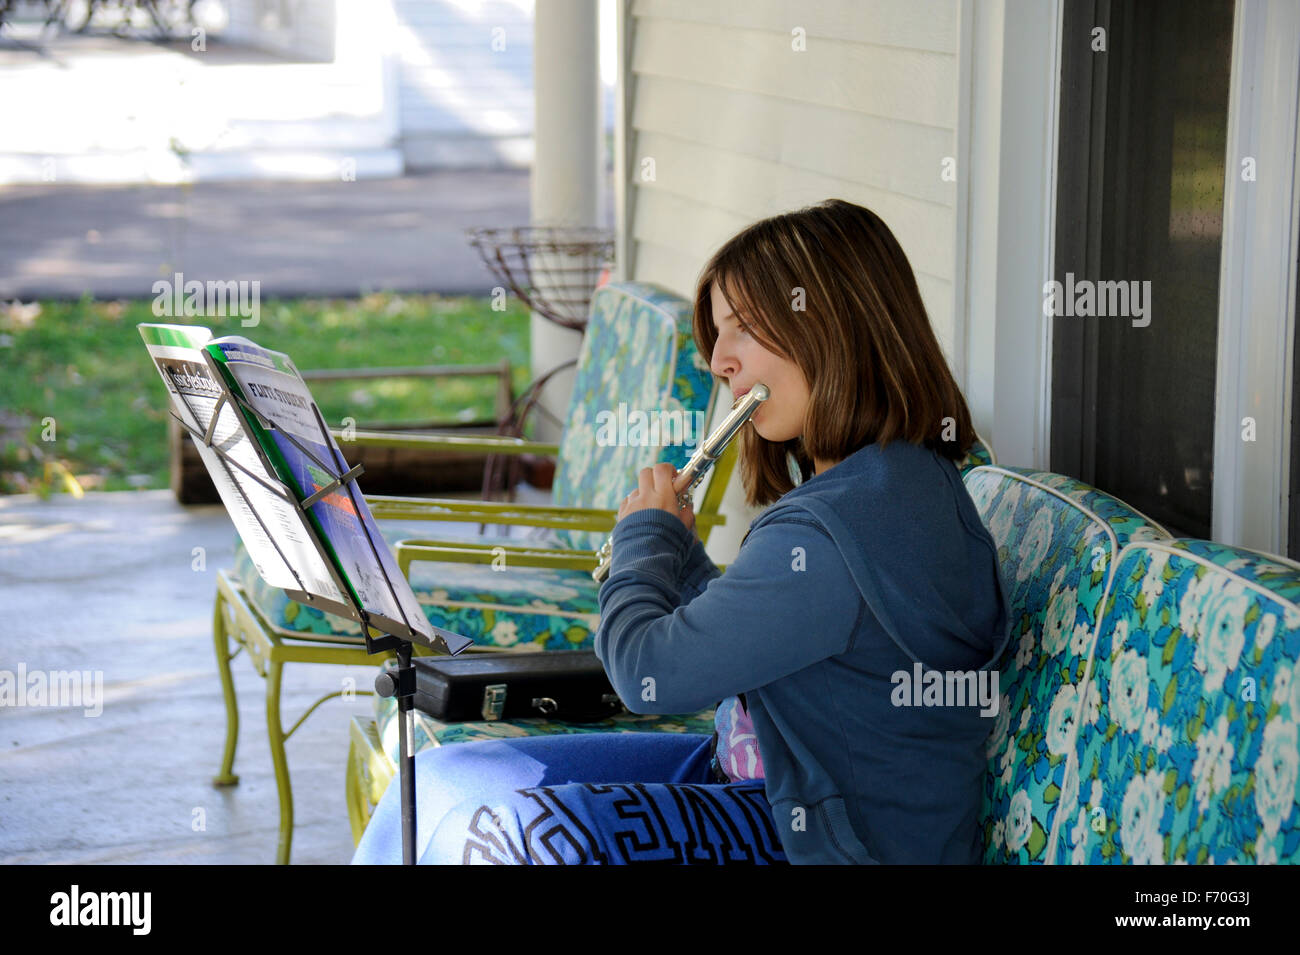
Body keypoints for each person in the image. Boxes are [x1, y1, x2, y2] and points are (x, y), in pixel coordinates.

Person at [350, 198, 1012, 865]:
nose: (718, 358)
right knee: (434, 782)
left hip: (825, 837)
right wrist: (677, 549)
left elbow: (646, 677)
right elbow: (786, 628)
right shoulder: (907, 483)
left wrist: (639, 544)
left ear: (836, 327)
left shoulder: (834, 532)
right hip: (773, 777)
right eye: (718, 334)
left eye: (745, 329)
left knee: (506, 835)